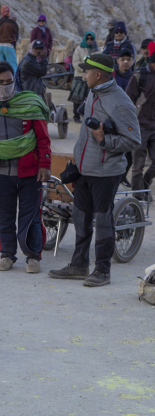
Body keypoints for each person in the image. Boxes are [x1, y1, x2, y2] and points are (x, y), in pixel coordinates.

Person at [48, 53, 141, 286]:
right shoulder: (93, 91)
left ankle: (102, 271)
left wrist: (104, 140)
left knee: (103, 221)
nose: (83, 75)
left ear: (98, 75)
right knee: (80, 218)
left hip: (105, 173)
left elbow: (133, 141)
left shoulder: (120, 102)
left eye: (87, 72)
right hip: (84, 169)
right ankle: (79, 265)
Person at [0, 61, 52, 274]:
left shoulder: (30, 104)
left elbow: (43, 138)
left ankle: (33, 256)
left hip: (30, 172)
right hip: (0, 171)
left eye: (9, 81)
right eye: (1, 82)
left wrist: (45, 165)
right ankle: (7, 255)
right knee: (4, 215)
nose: (6, 85)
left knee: (31, 215)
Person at [126, 42, 155, 198]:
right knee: (138, 164)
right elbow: (128, 99)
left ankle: (143, 186)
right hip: (139, 127)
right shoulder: (140, 75)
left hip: (154, 127)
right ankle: (138, 196)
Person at [69, 31, 97, 122]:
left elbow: (98, 60)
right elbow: (75, 62)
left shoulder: (94, 50)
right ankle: (76, 115)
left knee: (90, 98)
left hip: (91, 77)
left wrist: (96, 50)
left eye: (91, 39)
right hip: (80, 76)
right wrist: (85, 69)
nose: (89, 40)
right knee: (77, 97)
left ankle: (87, 116)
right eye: (87, 38)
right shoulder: (79, 49)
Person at [0, 5, 19, 73]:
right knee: (13, 66)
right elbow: (16, 31)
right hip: (8, 46)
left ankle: (0, 82)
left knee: (0, 66)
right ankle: (14, 82)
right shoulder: (12, 22)